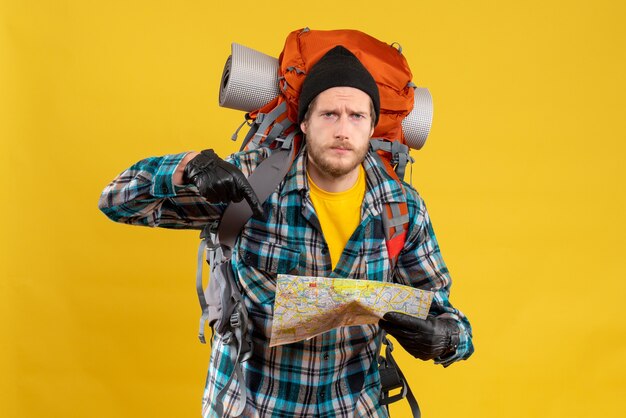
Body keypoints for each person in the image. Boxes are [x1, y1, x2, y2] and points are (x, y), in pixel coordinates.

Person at [99, 45, 474, 417]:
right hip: (252, 404)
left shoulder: (401, 206)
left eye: (357, 116)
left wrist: (447, 339)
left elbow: (446, 314)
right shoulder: (252, 181)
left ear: (372, 125)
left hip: (354, 406)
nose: (343, 130)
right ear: (306, 122)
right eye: (330, 114)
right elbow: (117, 200)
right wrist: (186, 166)